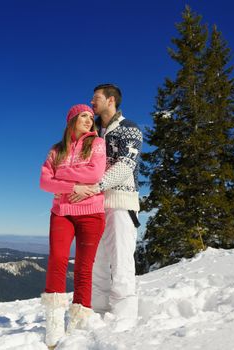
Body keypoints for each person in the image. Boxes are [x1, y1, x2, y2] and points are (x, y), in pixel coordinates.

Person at [69, 84, 142, 329]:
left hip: (121, 202)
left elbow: (125, 165)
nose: (91, 102)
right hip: (95, 203)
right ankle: (98, 309)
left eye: (96, 98)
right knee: (97, 259)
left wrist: (97, 185)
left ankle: (124, 317)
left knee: (121, 258)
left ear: (111, 100)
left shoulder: (129, 129)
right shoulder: (94, 133)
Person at [39, 104, 106, 348]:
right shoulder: (56, 150)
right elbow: (45, 181)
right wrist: (73, 187)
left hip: (92, 213)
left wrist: (62, 176)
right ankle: (54, 324)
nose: (90, 120)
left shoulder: (97, 144)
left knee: (83, 268)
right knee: (57, 259)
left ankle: (77, 322)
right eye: (84, 116)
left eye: (91, 117)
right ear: (72, 120)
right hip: (62, 212)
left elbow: (95, 173)